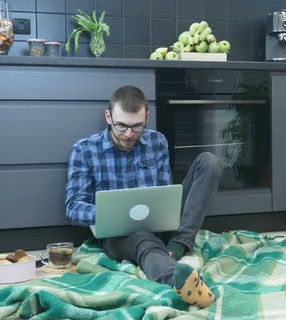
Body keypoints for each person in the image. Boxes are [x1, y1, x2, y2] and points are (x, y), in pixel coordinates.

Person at [65, 85, 221, 308]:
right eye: (121, 126)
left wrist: (166, 209)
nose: (129, 134)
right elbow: (72, 207)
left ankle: (177, 244)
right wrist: (109, 212)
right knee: (141, 239)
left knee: (210, 162)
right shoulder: (84, 150)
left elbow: (165, 190)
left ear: (147, 117)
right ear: (108, 117)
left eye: (137, 126)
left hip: (159, 222)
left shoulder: (157, 142)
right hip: (119, 235)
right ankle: (182, 281)